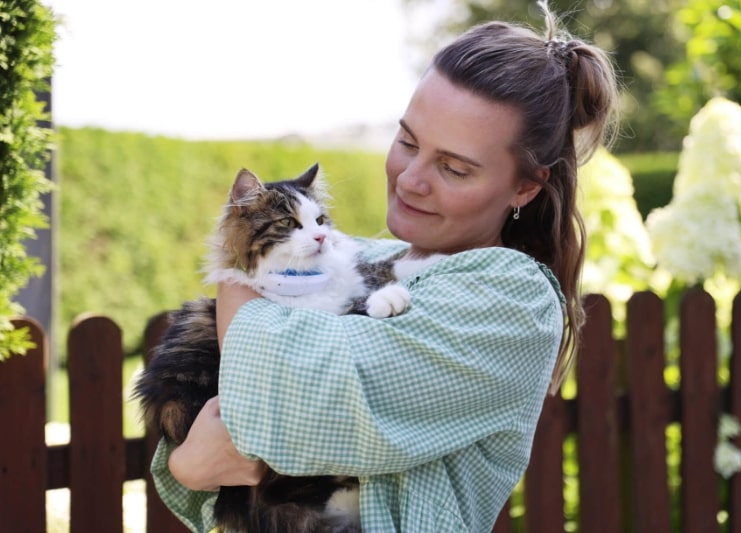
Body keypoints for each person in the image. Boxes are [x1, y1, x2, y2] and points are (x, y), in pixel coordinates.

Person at [151, 2, 618, 531]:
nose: (411, 179)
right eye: (407, 142)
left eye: (454, 168)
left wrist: (237, 292)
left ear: (525, 186)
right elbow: (201, 445)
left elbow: (297, 401)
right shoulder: (362, 258)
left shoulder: (512, 301)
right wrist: (186, 464)